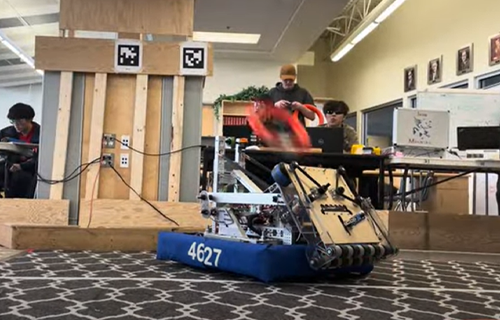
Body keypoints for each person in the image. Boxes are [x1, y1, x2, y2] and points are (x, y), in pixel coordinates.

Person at [0, 103, 40, 198]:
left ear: (30, 119)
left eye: (20, 121)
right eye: (13, 121)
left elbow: (42, 159)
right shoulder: (6, 133)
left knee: (20, 178)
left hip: (29, 170)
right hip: (9, 165)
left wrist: (22, 166)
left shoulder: (41, 134)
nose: (16, 125)